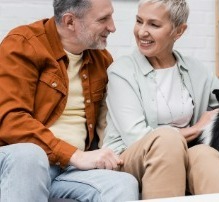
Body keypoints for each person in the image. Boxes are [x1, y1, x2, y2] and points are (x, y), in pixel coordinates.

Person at [103, 0, 219, 199]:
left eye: (154, 24)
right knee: (167, 139)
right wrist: (196, 128)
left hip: (181, 153)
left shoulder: (194, 69)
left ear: (179, 31)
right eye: (139, 21)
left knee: (206, 155)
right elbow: (136, 137)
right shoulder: (122, 71)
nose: (142, 32)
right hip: (128, 157)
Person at [0, 0, 139, 201]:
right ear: (70, 22)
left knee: (123, 184)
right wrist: (76, 155)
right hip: (20, 163)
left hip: (69, 170)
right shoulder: (23, 44)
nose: (112, 27)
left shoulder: (101, 60)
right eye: (103, 19)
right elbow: (9, 120)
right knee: (31, 156)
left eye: (111, 16)